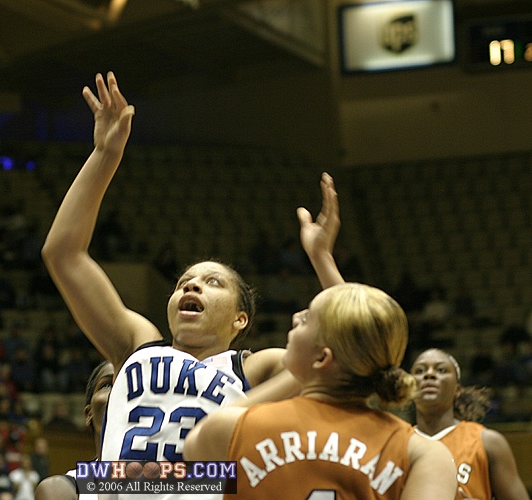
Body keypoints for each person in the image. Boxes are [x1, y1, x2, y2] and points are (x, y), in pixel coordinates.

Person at [41, 72, 343, 468]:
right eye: (184, 282)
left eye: (212, 282)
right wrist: (104, 155)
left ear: (240, 319)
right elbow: (63, 253)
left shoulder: (255, 366)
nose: (193, 287)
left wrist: (322, 258)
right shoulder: (138, 344)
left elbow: (349, 343)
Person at [183, 283, 458, 499]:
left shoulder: (233, 428)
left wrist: (295, 374)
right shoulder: (425, 453)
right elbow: (358, 334)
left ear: (322, 359)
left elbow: (193, 454)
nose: (295, 318)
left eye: (306, 319)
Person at [410, 348, 530, 500]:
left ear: (457, 389)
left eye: (441, 369)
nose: (429, 374)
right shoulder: (397, 444)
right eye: (420, 370)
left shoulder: (488, 442)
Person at [36, 360, 114, 500]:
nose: (120, 392)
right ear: (89, 413)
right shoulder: (66, 489)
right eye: (107, 384)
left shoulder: (162, 478)